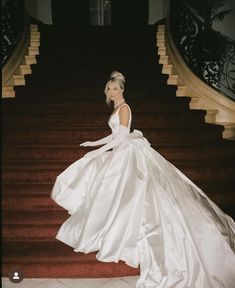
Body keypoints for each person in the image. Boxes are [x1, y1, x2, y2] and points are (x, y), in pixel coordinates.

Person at [51, 71, 235, 288]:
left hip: (127, 153)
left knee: (130, 191)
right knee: (113, 189)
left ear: (122, 90)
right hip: (122, 149)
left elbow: (120, 137)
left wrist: (97, 152)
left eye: (115, 89)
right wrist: (93, 143)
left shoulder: (125, 108)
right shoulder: (117, 107)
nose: (111, 92)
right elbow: (114, 135)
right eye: (109, 89)